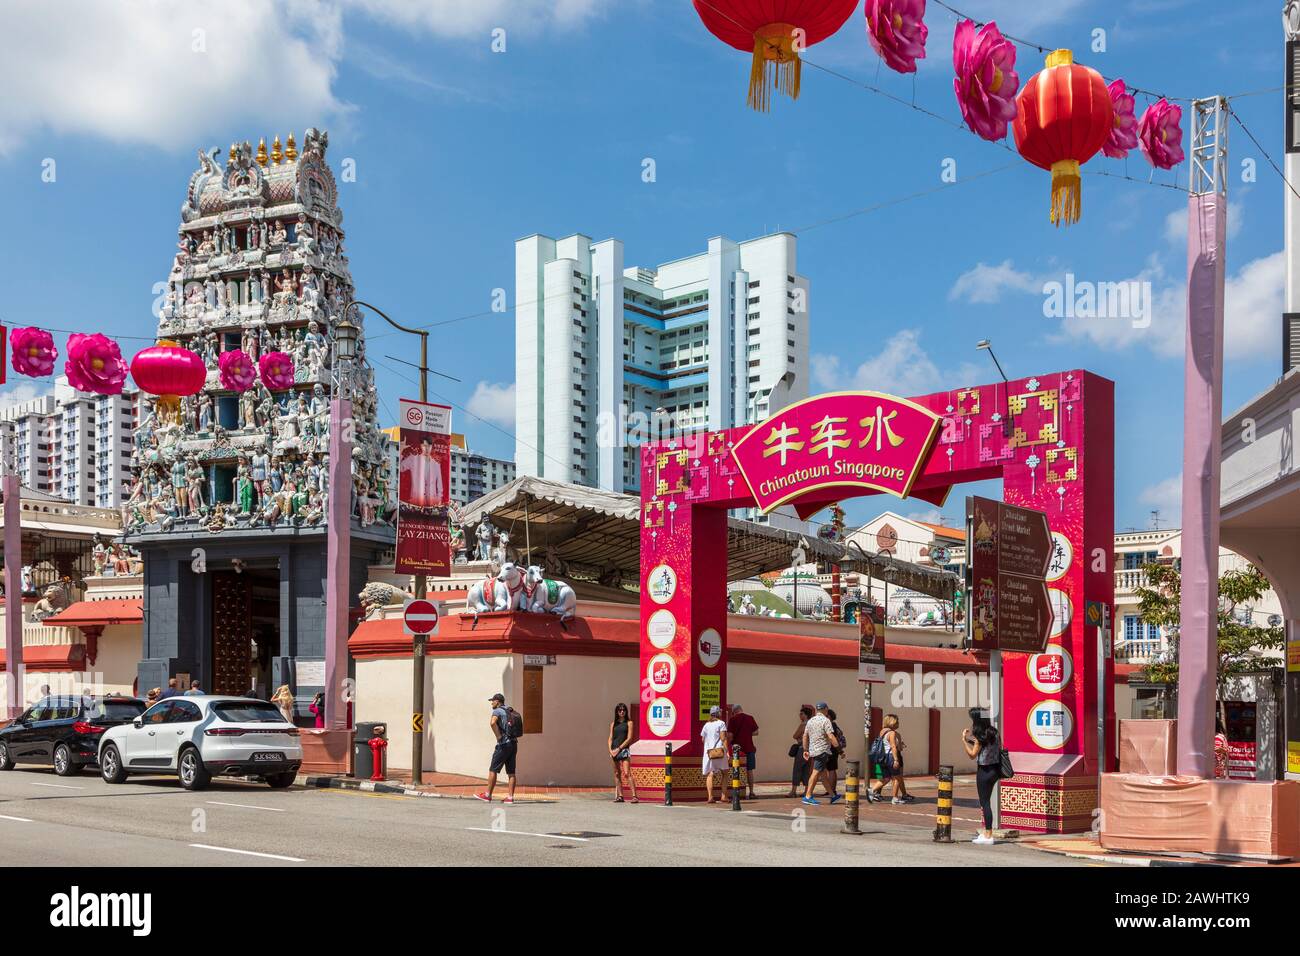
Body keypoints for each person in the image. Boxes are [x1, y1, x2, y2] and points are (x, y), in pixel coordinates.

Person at [962, 719, 1002, 844]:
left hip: (984, 771)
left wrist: (964, 741)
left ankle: (988, 835)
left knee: (985, 803)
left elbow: (972, 754)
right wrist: (972, 741)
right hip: (995, 770)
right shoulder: (994, 733)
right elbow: (986, 746)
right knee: (986, 802)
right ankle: (986, 833)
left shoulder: (980, 737)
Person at [476, 693, 518, 803]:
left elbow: (492, 723)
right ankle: (510, 797)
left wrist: (498, 736)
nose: (491, 703)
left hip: (503, 744)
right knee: (511, 772)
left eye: (493, 701)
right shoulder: (509, 710)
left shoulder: (497, 711)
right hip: (513, 744)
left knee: (493, 769)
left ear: (498, 702)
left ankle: (487, 795)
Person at [801, 702, 841, 806]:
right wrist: (839, 750)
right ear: (825, 709)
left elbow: (805, 736)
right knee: (815, 773)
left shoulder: (811, 721)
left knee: (823, 775)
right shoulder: (826, 720)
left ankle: (832, 795)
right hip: (822, 751)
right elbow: (831, 736)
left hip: (813, 750)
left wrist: (805, 750)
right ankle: (808, 796)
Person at [877, 714, 913, 804]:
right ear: (892, 723)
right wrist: (897, 757)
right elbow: (896, 747)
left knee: (885, 777)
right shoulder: (894, 733)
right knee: (897, 777)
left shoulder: (882, 732)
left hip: (882, 756)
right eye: (897, 722)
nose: (898, 724)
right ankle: (896, 797)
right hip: (894, 756)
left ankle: (876, 793)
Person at [607, 702, 638, 803]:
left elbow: (629, 738)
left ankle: (635, 796)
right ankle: (620, 796)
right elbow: (610, 738)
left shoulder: (629, 723)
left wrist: (619, 748)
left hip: (623, 750)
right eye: (620, 710)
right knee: (616, 773)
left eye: (624, 710)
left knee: (626, 773)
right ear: (617, 712)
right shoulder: (613, 724)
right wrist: (611, 750)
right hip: (614, 750)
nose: (622, 712)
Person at [728, 703, 759, 799]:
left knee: (735, 769)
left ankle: (736, 792)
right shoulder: (750, 718)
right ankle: (751, 792)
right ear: (741, 709)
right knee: (749, 770)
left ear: (734, 712)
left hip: (737, 750)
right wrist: (747, 734)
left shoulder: (732, 720)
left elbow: (730, 735)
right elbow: (756, 732)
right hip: (749, 748)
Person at [700, 705, 730, 803]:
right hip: (720, 751)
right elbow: (723, 738)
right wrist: (727, 751)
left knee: (710, 774)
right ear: (718, 714)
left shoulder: (706, 725)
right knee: (725, 773)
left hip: (709, 753)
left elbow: (703, 739)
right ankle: (724, 796)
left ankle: (710, 797)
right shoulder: (721, 723)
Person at [789, 704, 814, 797]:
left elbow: (795, 735)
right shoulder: (812, 724)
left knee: (797, 769)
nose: (800, 715)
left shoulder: (803, 725)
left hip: (802, 748)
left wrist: (799, 737)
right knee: (807, 770)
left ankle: (793, 791)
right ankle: (806, 791)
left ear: (806, 715)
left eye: (801, 714)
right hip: (810, 749)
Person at [1214, 714, 1229, 780]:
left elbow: (1227, 754)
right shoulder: (1203, 737)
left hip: (1219, 773)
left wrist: (1221, 750)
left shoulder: (1221, 737)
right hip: (1206, 772)